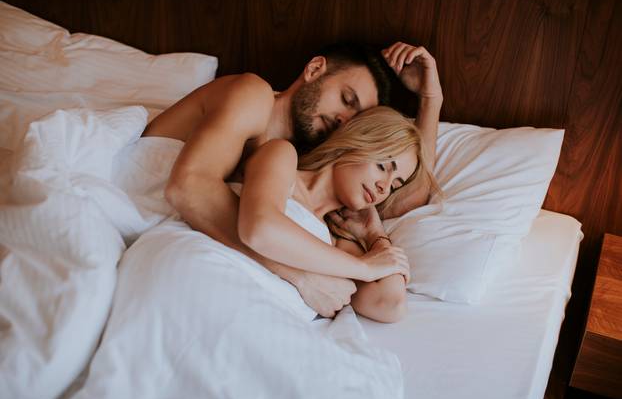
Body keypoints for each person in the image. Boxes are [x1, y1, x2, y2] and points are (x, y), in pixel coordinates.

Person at [142, 41, 443, 317]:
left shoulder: (298, 162)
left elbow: (408, 195)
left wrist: (431, 100)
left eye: (355, 120)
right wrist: (302, 275)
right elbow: (187, 189)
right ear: (314, 69)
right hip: (134, 205)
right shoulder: (253, 95)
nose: (343, 120)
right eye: (346, 99)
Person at [237, 106, 439, 323]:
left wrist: (374, 235)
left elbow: (390, 304)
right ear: (354, 142)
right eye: (382, 166)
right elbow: (260, 228)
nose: (384, 188)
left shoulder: (337, 240)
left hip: (264, 324)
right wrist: (365, 267)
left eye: (395, 185)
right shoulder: (282, 157)